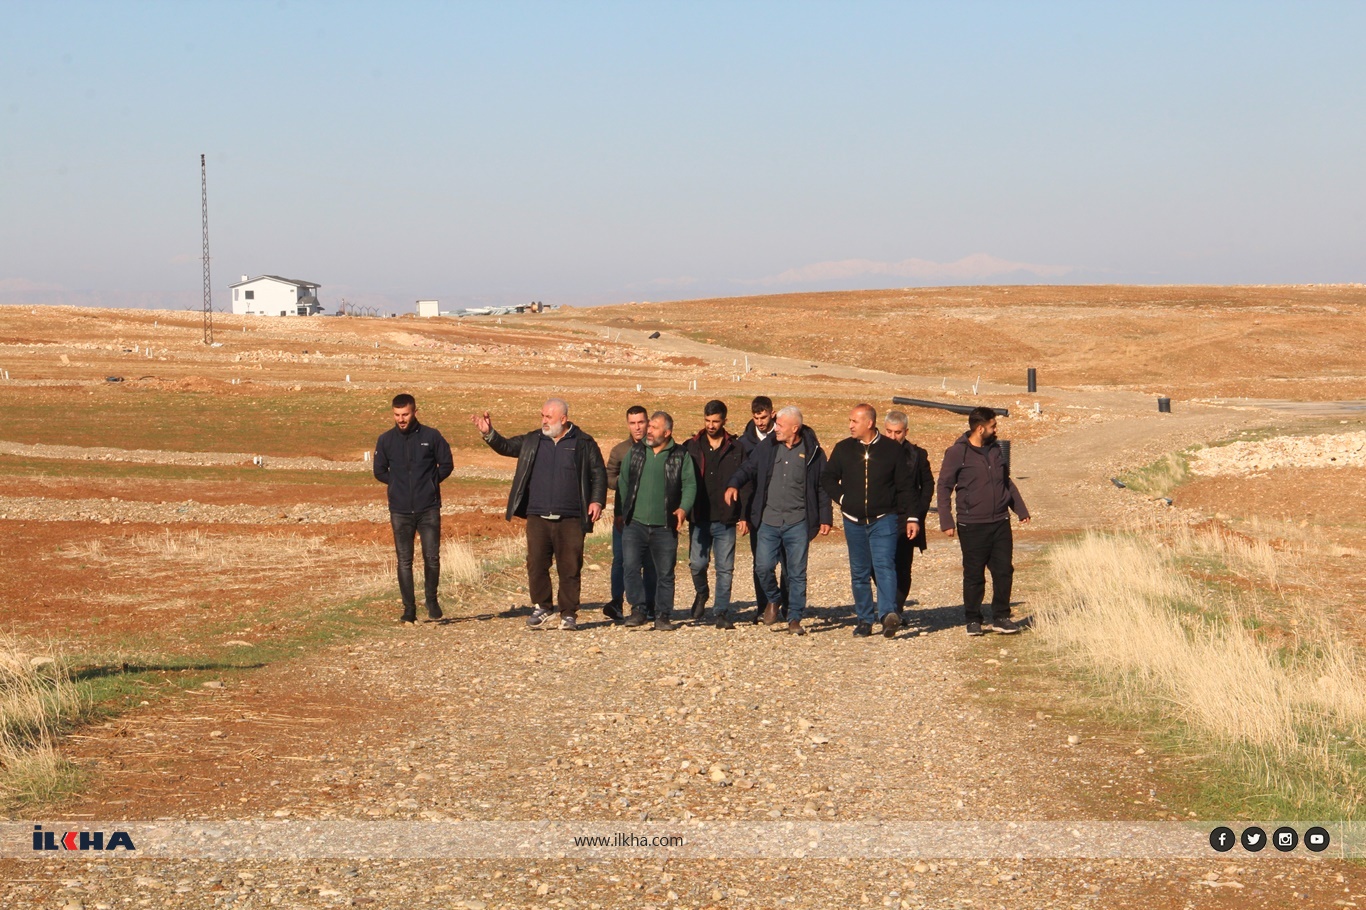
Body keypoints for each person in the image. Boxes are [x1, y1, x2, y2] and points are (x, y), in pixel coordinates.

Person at [473, 398, 607, 631]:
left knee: (570, 566)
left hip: (571, 517)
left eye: (548, 417)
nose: (544, 421)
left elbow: (599, 473)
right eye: (542, 416)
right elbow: (506, 446)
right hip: (537, 515)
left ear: (563, 419)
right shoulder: (533, 440)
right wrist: (489, 433)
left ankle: (568, 613)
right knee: (536, 564)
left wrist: (596, 501)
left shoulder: (583, 442)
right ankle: (543, 607)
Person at [724, 406, 831, 636]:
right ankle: (773, 599)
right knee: (762, 566)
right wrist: (734, 483)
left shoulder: (813, 452)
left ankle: (795, 618)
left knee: (796, 573)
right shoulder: (768, 446)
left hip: (798, 521)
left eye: (780, 425)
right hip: (769, 520)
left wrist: (825, 517)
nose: (776, 428)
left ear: (795, 428)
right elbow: (748, 468)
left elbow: (822, 487)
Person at [821, 404, 913, 638]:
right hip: (853, 521)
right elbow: (828, 478)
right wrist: (843, 498)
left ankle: (887, 615)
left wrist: (911, 517)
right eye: (850, 421)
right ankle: (864, 619)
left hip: (884, 519)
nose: (850, 425)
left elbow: (905, 487)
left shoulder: (892, 450)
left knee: (884, 566)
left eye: (854, 421)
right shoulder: (843, 449)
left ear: (869, 423)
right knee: (859, 572)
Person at [938, 406, 1030, 636]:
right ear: (980, 428)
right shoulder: (957, 452)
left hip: (1000, 520)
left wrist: (1020, 509)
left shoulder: (995, 450)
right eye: (993, 425)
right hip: (972, 524)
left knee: (1003, 571)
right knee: (974, 573)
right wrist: (946, 520)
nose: (996, 429)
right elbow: (944, 486)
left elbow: (1005, 482)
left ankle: (1001, 617)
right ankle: (973, 619)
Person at [373, 393, 454, 624]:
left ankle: (431, 600)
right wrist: (399, 485)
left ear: (415, 412)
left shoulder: (432, 436)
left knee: (432, 557)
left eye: (405, 414)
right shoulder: (386, 440)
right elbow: (379, 471)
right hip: (399, 510)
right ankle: (409, 610)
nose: (401, 419)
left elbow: (447, 463)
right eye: (397, 415)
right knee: (404, 561)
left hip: (428, 508)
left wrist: (428, 483)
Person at [618, 412, 696, 631]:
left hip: (665, 525)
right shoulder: (636, 452)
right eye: (649, 426)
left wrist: (683, 508)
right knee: (631, 567)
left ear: (667, 432)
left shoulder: (680, 455)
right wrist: (626, 510)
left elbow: (689, 484)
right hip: (635, 523)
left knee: (665, 572)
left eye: (654, 427)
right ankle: (638, 610)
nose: (648, 430)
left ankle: (662, 614)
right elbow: (624, 482)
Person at [682, 400, 746, 629]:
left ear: (724, 421)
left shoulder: (737, 449)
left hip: (725, 518)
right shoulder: (691, 446)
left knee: (725, 568)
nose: (710, 425)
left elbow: (745, 483)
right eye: (707, 421)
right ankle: (702, 593)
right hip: (699, 517)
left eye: (715, 421)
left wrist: (743, 515)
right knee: (697, 564)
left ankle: (721, 612)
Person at [736, 396, 786, 620]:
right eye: (756, 418)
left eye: (764, 417)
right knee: (761, 563)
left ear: (772, 413)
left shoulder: (785, 436)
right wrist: (743, 515)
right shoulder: (744, 444)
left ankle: (786, 606)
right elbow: (744, 482)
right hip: (759, 512)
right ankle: (763, 605)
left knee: (787, 563)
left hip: (785, 509)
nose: (760, 422)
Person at [605, 405, 655, 623]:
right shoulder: (619, 451)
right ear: (628, 424)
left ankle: (649, 604)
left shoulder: (657, 447)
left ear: (648, 422)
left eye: (641, 422)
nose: (637, 427)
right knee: (622, 560)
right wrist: (628, 481)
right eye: (633, 423)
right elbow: (609, 479)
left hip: (651, 516)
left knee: (650, 561)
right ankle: (617, 601)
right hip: (624, 515)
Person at [883, 410, 935, 613]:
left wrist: (918, 511)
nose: (893, 437)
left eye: (897, 432)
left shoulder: (917, 454)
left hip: (906, 517)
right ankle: (890, 602)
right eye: (889, 432)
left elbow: (928, 484)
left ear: (906, 431)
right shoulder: (875, 451)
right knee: (876, 563)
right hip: (880, 515)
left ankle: (895, 608)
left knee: (902, 564)